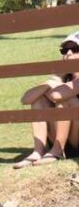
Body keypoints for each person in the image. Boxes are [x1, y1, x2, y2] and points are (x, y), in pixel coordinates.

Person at [12, 31, 79, 168]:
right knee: (38, 99)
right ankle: (39, 151)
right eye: (65, 50)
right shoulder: (63, 77)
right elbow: (26, 99)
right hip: (65, 138)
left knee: (66, 102)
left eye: (75, 48)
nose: (69, 53)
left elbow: (57, 96)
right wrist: (51, 82)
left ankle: (57, 151)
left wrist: (56, 83)